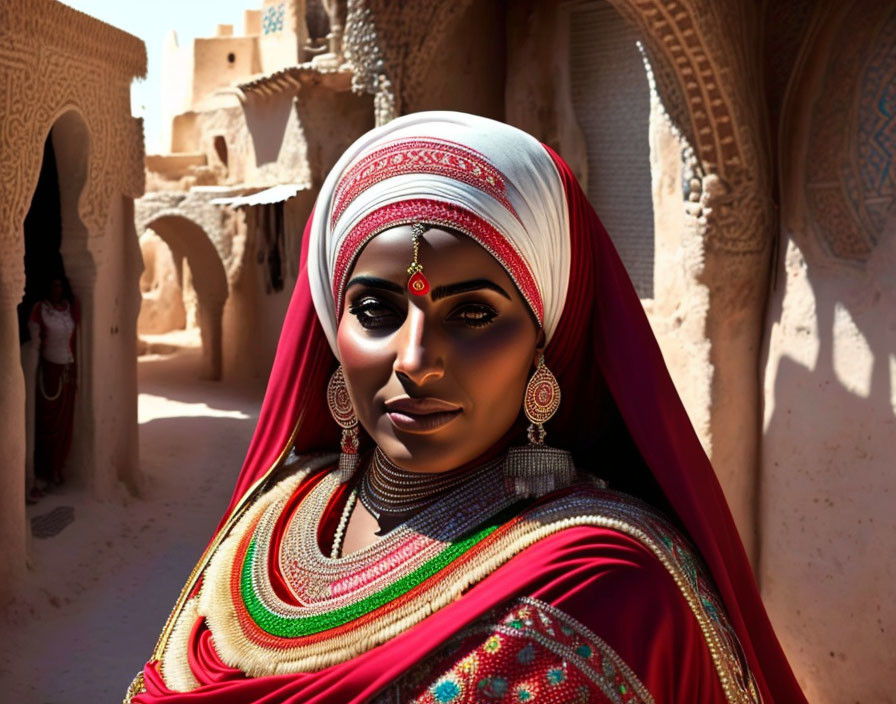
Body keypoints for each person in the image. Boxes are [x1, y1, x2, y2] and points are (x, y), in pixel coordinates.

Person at [127, 113, 807, 703]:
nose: (416, 359)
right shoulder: (271, 516)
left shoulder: (603, 585)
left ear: (545, 340)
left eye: (474, 313)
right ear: (334, 329)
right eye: (375, 310)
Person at [28, 276, 78, 497]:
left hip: (67, 371)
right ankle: (45, 470)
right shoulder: (41, 310)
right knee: (48, 422)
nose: (57, 289)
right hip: (49, 372)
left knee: (65, 422)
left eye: (59, 285)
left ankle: (58, 467)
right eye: (53, 285)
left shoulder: (68, 309)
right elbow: (34, 343)